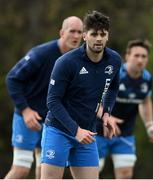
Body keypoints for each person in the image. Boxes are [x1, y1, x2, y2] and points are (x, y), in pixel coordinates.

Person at [40, 10, 122, 179]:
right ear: (85, 36)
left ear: (107, 36)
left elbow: (113, 87)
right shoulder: (66, 62)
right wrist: (76, 131)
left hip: (87, 132)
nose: (98, 38)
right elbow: (52, 101)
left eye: (102, 34)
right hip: (58, 130)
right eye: (94, 34)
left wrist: (106, 113)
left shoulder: (114, 60)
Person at [5, 16, 83, 179]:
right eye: (72, 31)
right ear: (62, 32)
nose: (76, 36)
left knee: (45, 171)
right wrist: (25, 111)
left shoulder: (80, 60)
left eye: (79, 32)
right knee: (21, 169)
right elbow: (12, 78)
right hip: (28, 117)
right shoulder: (41, 53)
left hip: (52, 122)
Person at [96, 39, 153, 179]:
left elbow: (145, 101)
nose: (140, 60)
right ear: (127, 56)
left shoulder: (147, 78)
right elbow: (92, 99)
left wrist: (150, 126)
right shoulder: (114, 73)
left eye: (143, 56)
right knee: (92, 172)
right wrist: (107, 116)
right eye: (136, 55)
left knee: (126, 174)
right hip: (98, 131)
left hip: (124, 134)